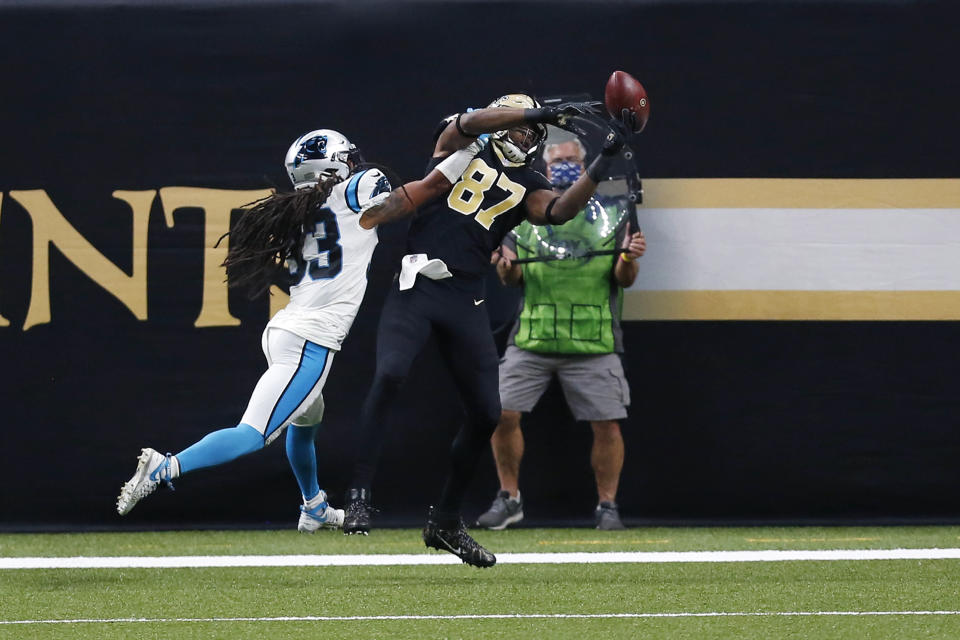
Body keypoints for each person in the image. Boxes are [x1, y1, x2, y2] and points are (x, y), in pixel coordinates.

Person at [115, 128, 485, 529]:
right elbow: (420, 192)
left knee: (307, 420)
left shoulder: (299, 209)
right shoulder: (356, 191)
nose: (355, 164)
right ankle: (165, 467)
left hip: (288, 329)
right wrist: (468, 153)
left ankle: (314, 506)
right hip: (311, 338)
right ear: (334, 165)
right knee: (252, 434)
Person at [342, 93, 630, 567]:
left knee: (486, 413)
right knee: (390, 373)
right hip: (418, 283)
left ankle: (445, 521)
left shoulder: (529, 180)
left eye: (534, 133)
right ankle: (358, 492)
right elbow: (470, 119)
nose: (528, 138)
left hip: (466, 295)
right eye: (522, 128)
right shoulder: (460, 144)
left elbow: (558, 212)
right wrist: (536, 112)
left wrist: (603, 160)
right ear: (504, 123)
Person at [477, 136, 646, 531]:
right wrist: (504, 265)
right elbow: (511, 277)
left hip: (594, 341)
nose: (566, 167)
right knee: (500, 412)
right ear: (544, 168)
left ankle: (607, 505)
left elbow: (625, 278)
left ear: (588, 166)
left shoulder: (613, 214)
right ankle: (509, 497)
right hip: (532, 338)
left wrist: (628, 257)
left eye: (574, 160)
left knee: (607, 423)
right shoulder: (523, 215)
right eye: (558, 162)